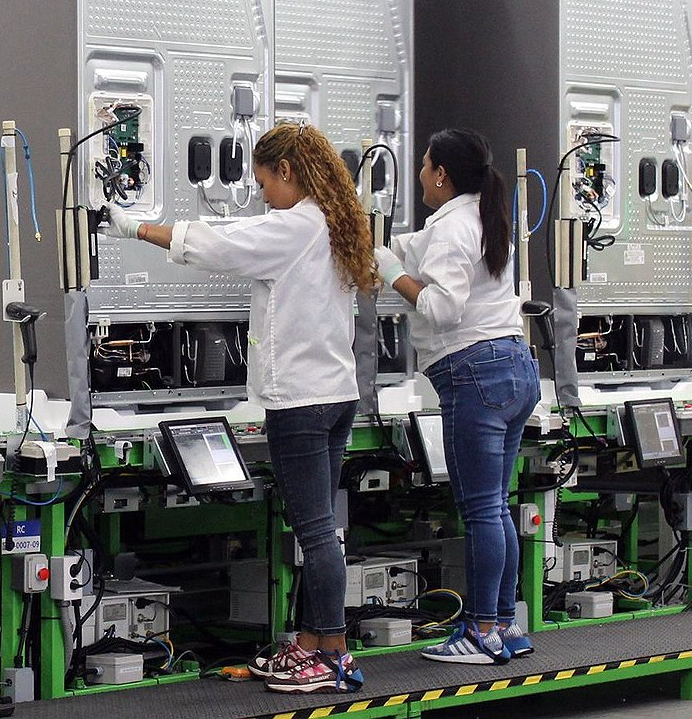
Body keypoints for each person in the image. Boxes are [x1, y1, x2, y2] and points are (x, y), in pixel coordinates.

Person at [101, 123, 373, 694]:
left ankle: (332, 652)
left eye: (264, 181)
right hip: (337, 394)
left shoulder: (294, 226)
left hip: (299, 400)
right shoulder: (335, 221)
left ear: (289, 172)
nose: (262, 193)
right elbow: (239, 231)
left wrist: (136, 228)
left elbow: (220, 244)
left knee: (317, 533)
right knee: (320, 528)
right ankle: (310, 647)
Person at [373, 128, 540, 665]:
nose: (420, 172)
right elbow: (422, 249)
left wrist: (392, 272)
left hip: (476, 374)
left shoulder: (452, 229)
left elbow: (442, 308)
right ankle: (506, 626)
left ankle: (478, 631)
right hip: (515, 367)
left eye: (424, 164)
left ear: (440, 174)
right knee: (499, 507)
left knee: (482, 510)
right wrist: (382, 244)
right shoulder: (480, 219)